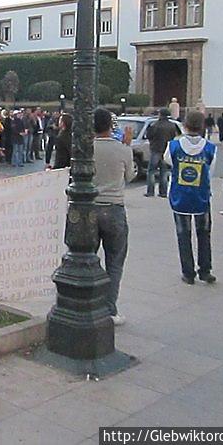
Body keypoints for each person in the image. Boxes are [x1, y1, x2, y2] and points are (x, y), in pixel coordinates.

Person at [163, 111, 217, 285]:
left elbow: (168, 162)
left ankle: (188, 272)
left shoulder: (173, 146)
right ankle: (205, 270)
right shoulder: (210, 148)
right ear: (202, 126)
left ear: (184, 125)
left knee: (183, 234)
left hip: (180, 196)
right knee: (204, 233)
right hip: (201, 196)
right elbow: (211, 171)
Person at [92, 108, 135, 325]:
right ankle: (110, 308)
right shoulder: (121, 149)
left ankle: (89, 302)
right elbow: (131, 175)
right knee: (115, 261)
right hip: (114, 206)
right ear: (111, 126)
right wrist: (128, 147)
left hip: (90, 208)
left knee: (87, 259)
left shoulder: (86, 148)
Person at [143, 108, 176, 198]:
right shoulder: (172, 125)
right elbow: (173, 136)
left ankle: (150, 191)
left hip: (156, 149)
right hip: (166, 149)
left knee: (151, 171)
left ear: (160, 115)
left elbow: (149, 136)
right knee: (164, 172)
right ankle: (163, 192)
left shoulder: (155, 125)